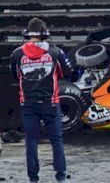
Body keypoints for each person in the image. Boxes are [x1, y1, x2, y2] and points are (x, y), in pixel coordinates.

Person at [10, 18, 73, 183]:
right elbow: (68, 71)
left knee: (31, 140)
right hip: (51, 103)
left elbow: (16, 76)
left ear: (28, 34)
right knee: (56, 139)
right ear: (45, 35)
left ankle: (33, 179)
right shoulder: (55, 52)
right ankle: (60, 177)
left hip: (28, 104)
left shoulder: (16, 54)